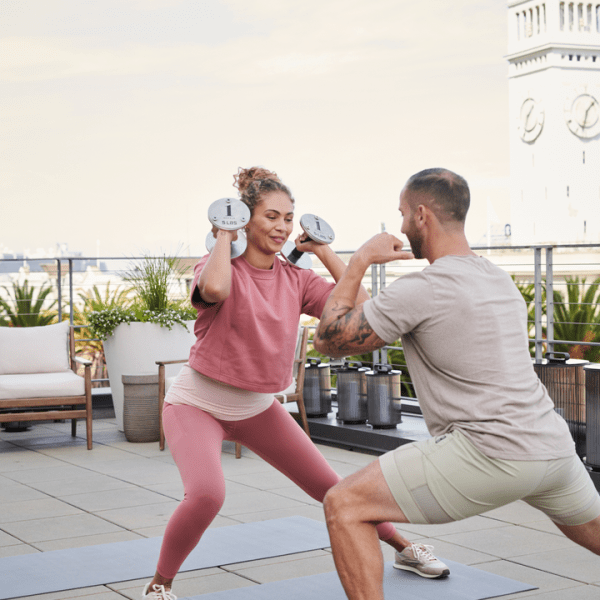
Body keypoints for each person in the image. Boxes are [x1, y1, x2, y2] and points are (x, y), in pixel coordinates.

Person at [142, 167, 449, 600]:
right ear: (245, 218)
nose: (281, 226)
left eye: (288, 218)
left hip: (257, 408)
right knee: (207, 494)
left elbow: (365, 312)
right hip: (197, 404)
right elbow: (213, 288)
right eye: (270, 216)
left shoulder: (296, 279)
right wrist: (225, 236)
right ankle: (160, 584)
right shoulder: (219, 268)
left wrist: (324, 252)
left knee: (336, 490)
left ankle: (403, 548)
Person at [313, 167, 600, 600]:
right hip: (553, 449)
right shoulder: (495, 278)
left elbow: (330, 339)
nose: (403, 223)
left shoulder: (423, 288)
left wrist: (360, 260)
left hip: (489, 453)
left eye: (404, 214)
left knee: (344, 504)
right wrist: (328, 254)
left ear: (422, 216)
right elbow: (382, 317)